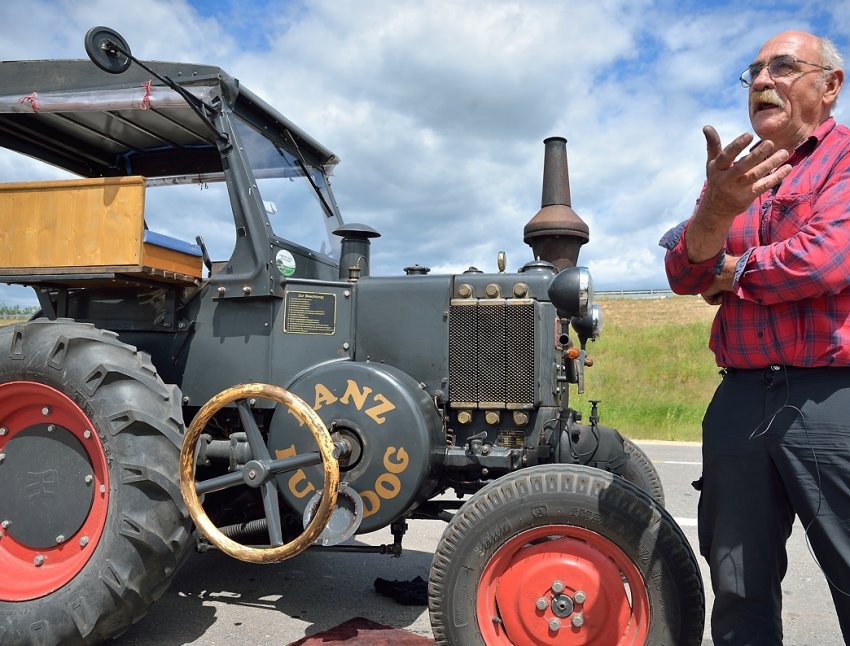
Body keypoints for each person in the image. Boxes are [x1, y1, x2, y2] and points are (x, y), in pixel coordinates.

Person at [660, 30, 850, 644]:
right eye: (753, 72)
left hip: (831, 400)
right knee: (736, 580)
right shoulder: (729, 178)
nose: (762, 81)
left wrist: (732, 270)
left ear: (829, 86)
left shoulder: (845, 159)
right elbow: (682, 273)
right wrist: (716, 210)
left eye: (783, 67)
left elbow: (824, 261)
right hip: (740, 399)